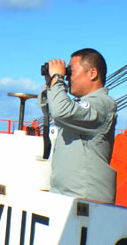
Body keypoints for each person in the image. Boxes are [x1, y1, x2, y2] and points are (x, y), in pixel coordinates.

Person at [38, 48, 117, 203]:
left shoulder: (103, 104)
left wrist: (58, 78)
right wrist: (50, 84)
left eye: (71, 71)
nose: (68, 77)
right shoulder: (78, 107)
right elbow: (53, 113)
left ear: (92, 73)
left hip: (87, 201)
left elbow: (60, 111)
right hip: (66, 197)